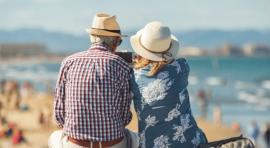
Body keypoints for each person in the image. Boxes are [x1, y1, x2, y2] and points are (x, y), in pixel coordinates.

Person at [49, 13, 138, 148]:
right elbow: (125, 117)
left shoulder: (69, 62)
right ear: (114, 42)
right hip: (113, 144)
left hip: (75, 144)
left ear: (92, 38)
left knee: (54, 137)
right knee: (136, 138)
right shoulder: (121, 65)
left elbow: (59, 116)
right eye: (119, 42)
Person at [130, 21, 207, 148]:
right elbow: (166, 65)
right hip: (192, 142)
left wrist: (135, 61)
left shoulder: (133, 76)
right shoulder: (182, 67)